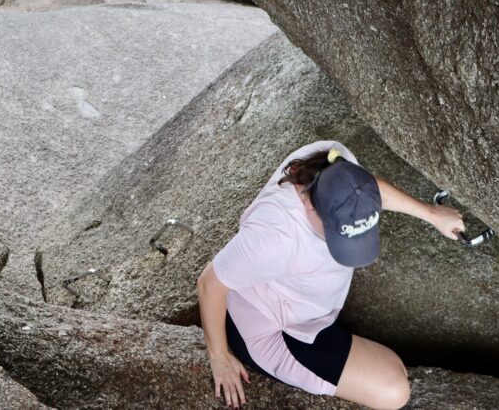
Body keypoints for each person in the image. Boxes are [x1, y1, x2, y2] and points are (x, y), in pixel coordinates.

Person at [197, 140, 465, 410]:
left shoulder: (333, 160)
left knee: (395, 367)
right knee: (393, 392)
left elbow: (365, 190)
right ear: (310, 205)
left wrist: (431, 213)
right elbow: (210, 284)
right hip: (272, 327)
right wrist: (219, 357)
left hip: (306, 307)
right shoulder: (276, 236)